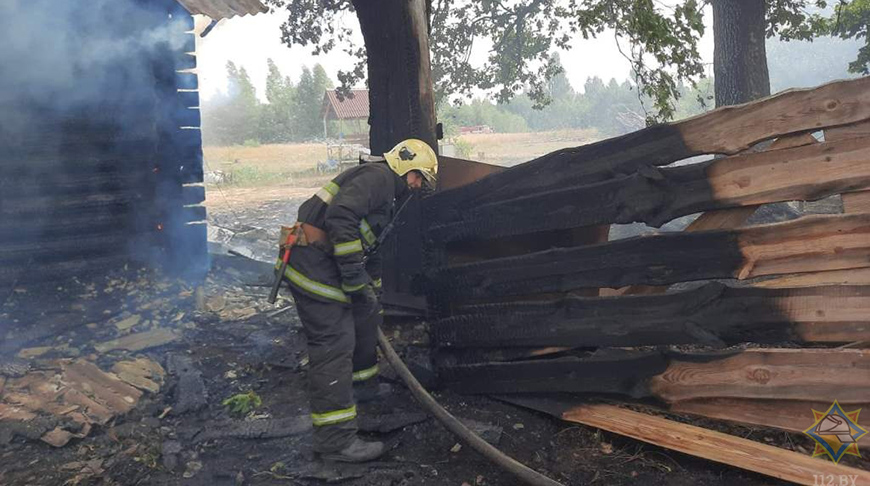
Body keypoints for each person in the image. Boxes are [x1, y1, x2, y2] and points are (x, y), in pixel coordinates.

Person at [277, 139, 437, 462]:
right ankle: (335, 441)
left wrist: (371, 292)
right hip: (312, 267)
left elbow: (370, 248)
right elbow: (341, 216)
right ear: (406, 165)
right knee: (334, 342)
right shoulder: (378, 179)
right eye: (419, 177)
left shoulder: (387, 195)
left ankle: (363, 389)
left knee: (365, 320)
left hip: (326, 265)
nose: (418, 185)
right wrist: (352, 277)